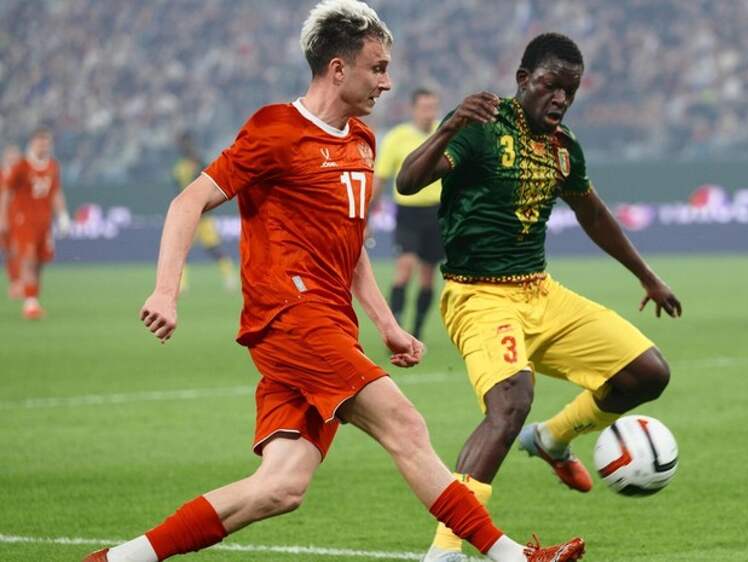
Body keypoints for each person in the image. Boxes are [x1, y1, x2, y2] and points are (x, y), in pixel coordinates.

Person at [83, 3, 583, 562]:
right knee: (404, 423)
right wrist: (165, 290)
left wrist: (386, 324)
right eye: (378, 68)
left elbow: (351, 247)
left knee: (279, 488)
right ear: (339, 68)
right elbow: (188, 201)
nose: (387, 82)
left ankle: (116, 559)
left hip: (329, 326)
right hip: (290, 318)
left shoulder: (362, 141)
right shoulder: (275, 130)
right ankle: (512, 556)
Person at [395, 33, 682, 562]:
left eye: (570, 91)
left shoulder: (563, 146)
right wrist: (451, 125)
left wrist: (646, 276)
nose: (560, 99)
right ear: (523, 79)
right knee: (509, 404)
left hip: (541, 292)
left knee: (648, 373)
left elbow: (591, 212)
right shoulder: (481, 125)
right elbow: (409, 182)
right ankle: (444, 550)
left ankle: (551, 438)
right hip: (479, 296)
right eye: (551, 86)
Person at [373, 88, 445, 340]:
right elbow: (380, 178)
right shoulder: (397, 138)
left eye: (432, 107)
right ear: (413, 109)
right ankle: (396, 327)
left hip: (437, 212)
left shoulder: (445, 133)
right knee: (405, 268)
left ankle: (417, 330)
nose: (429, 113)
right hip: (408, 213)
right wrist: (367, 215)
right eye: (424, 107)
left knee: (428, 277)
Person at [0, 129, 70, 319]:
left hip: (44, 222)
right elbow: (6, 191)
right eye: (40, 143)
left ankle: (32, 297)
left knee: (40, 262)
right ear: (32, 143)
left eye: (46, 143)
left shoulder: (52, 166)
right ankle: (29, 302)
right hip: (24, 221)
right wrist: (3, 218)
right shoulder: (22, 165)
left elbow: (56, 192)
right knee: (28, 259)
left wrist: (62, 216)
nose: (43, 147)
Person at [171, 131, 237, 291]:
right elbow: (178, 192)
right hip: (189, 215)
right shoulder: (180, 168)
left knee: (212, 248)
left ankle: (229, 275)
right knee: (183, 250)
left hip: (203, 215)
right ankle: (181, 283)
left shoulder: (198, 164)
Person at [1, 143, 23, 297]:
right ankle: (14, 281)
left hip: (19, 218)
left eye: (15, 156)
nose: (13, 158)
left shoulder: (23, 177)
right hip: (4, 218)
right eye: (10, 155)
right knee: (8, 252)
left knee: (18, 250)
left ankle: (19, 283)